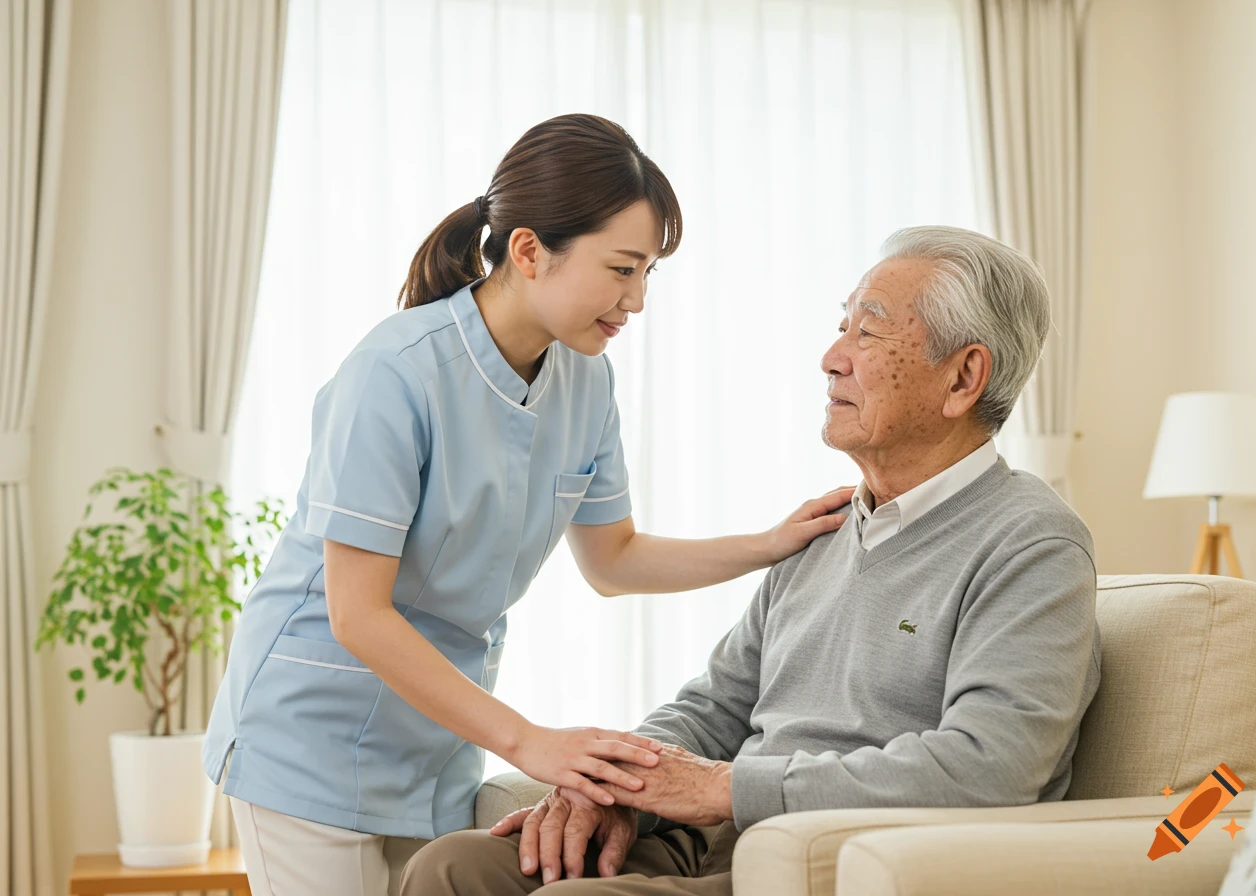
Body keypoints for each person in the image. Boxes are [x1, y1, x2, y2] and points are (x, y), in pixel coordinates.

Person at [200, 113, 852, 896]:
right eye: (621, 269)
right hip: (308, 736)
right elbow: (357, 614)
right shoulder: (395, 373)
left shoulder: (586, 378)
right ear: (529, 251)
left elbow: (614, 560)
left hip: (437, 741)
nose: (637, 300)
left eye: (648, 273)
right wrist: (530, 743)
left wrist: (771, 543)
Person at [401, 225, 1104, 895]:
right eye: (841, 325)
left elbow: (992, 767)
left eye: (870, 329)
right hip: (720, 838)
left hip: (833, 859)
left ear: (962, 378)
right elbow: (714, 709)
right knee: (454, 870)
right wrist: (614, 787)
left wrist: (721, 788)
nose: (832, 357)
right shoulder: (823, 531)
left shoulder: (1031, 543)